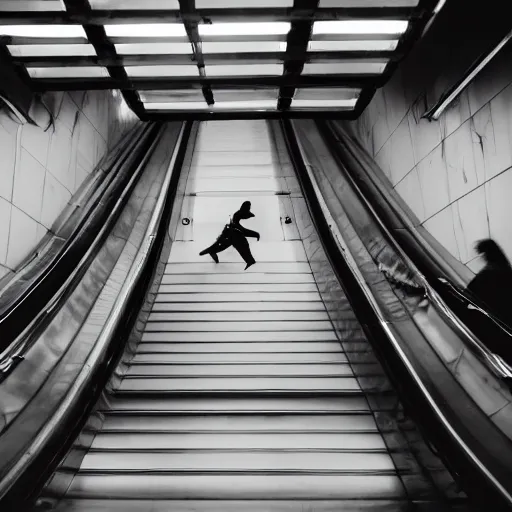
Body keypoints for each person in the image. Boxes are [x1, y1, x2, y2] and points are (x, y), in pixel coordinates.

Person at [199, 201, 260, 270]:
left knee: (230, 241)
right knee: (237, 241)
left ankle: (211, 250)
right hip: (231, 232)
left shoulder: (239, 215)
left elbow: (242, 229)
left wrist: (255, 234)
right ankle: (250, 261)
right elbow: (243, 230)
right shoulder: (237, 215)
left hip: (231, 232)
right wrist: (255, 234)